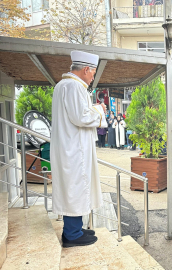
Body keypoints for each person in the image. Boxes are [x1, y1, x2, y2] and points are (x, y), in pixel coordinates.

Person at [51, 50, 107, 247]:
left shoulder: (63, 85)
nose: (93, 77)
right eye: (92, 73)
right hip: (74, 149)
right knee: (75, 187)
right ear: (86, 70)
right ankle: (72, 234)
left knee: (75, 187)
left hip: (70, 146)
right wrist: (100, 110)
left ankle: (75, 228)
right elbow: (80, 117)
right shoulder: (73, 87)